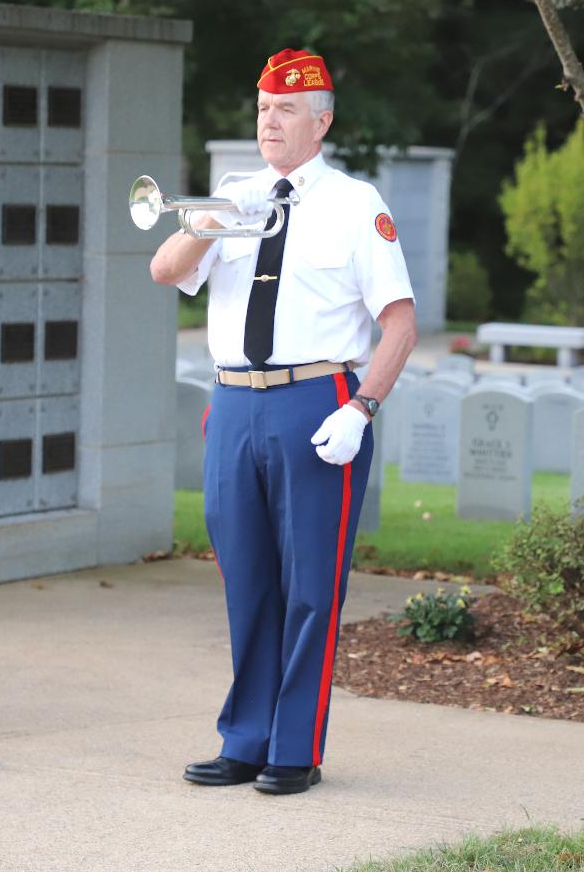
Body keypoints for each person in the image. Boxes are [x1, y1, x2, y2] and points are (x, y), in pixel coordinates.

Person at [150, 48, 417, 795]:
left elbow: (399, 323)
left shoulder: (356, 203)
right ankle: (246, 739)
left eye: (287, 110)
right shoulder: (233, 193)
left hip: (316, 402)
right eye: (264, 108)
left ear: (321, 121)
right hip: (234, 400)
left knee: (310, 586)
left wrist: (363, 407)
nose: (271, 121)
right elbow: (167, 271)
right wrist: (210, 221)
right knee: (247, 581)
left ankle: (294, 749)